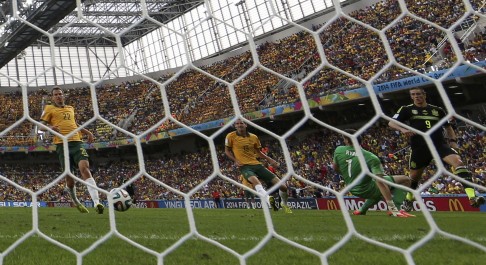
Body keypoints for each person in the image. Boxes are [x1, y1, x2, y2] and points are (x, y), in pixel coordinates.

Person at [388, 87, 485, 211]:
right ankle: (408, 199)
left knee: (459, 163)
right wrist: (403, 129)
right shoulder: (407, 109)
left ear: (424, 95)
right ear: (411, 97)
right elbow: (391, 123)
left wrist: (453, 142)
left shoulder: (437, 110)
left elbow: (448, 128)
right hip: (420, 147)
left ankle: (472, 197)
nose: (416, 96)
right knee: (414, 178)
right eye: (413, 94)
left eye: (418, 94)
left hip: (439, 145)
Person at [40, 87, 104, 214]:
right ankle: (76, 201)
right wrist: (50, 127)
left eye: (60, 94)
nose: (58, 96)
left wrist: (88, 132)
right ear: (52, 97)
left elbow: (75, 124)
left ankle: (97, 202)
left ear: (63, 96)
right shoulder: (48, 109)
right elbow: (40, 127)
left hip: (77, 142)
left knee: (84, 168)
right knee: (70, 178)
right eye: (56, 95)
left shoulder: (70, 108)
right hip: (61, 144)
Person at [333, 129, 414, 217]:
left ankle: (361, 210)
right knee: (406, 180)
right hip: (367, 188)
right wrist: (391, 206)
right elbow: (380, 182)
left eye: (344, 138)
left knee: (377, 192)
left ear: (347, 140)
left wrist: (348, 177)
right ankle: (396, 209)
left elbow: (335, 168)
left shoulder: (339, 150)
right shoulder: (371, 157)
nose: (343, 141)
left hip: (352, 187)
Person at [225, 118, 292, 213]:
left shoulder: (254, 137)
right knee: (255, 181)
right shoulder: (230, 136)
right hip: (244, 166)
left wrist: (270, 160)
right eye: (237, 124)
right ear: (235, 126)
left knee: (283, 187)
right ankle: (270, 201)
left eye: (241, 123)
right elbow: (227, 151)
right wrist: (235, 160)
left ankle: (284, 204)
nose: (239, 125)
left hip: (257, 165)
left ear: (246, 125)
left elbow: (258, 152)